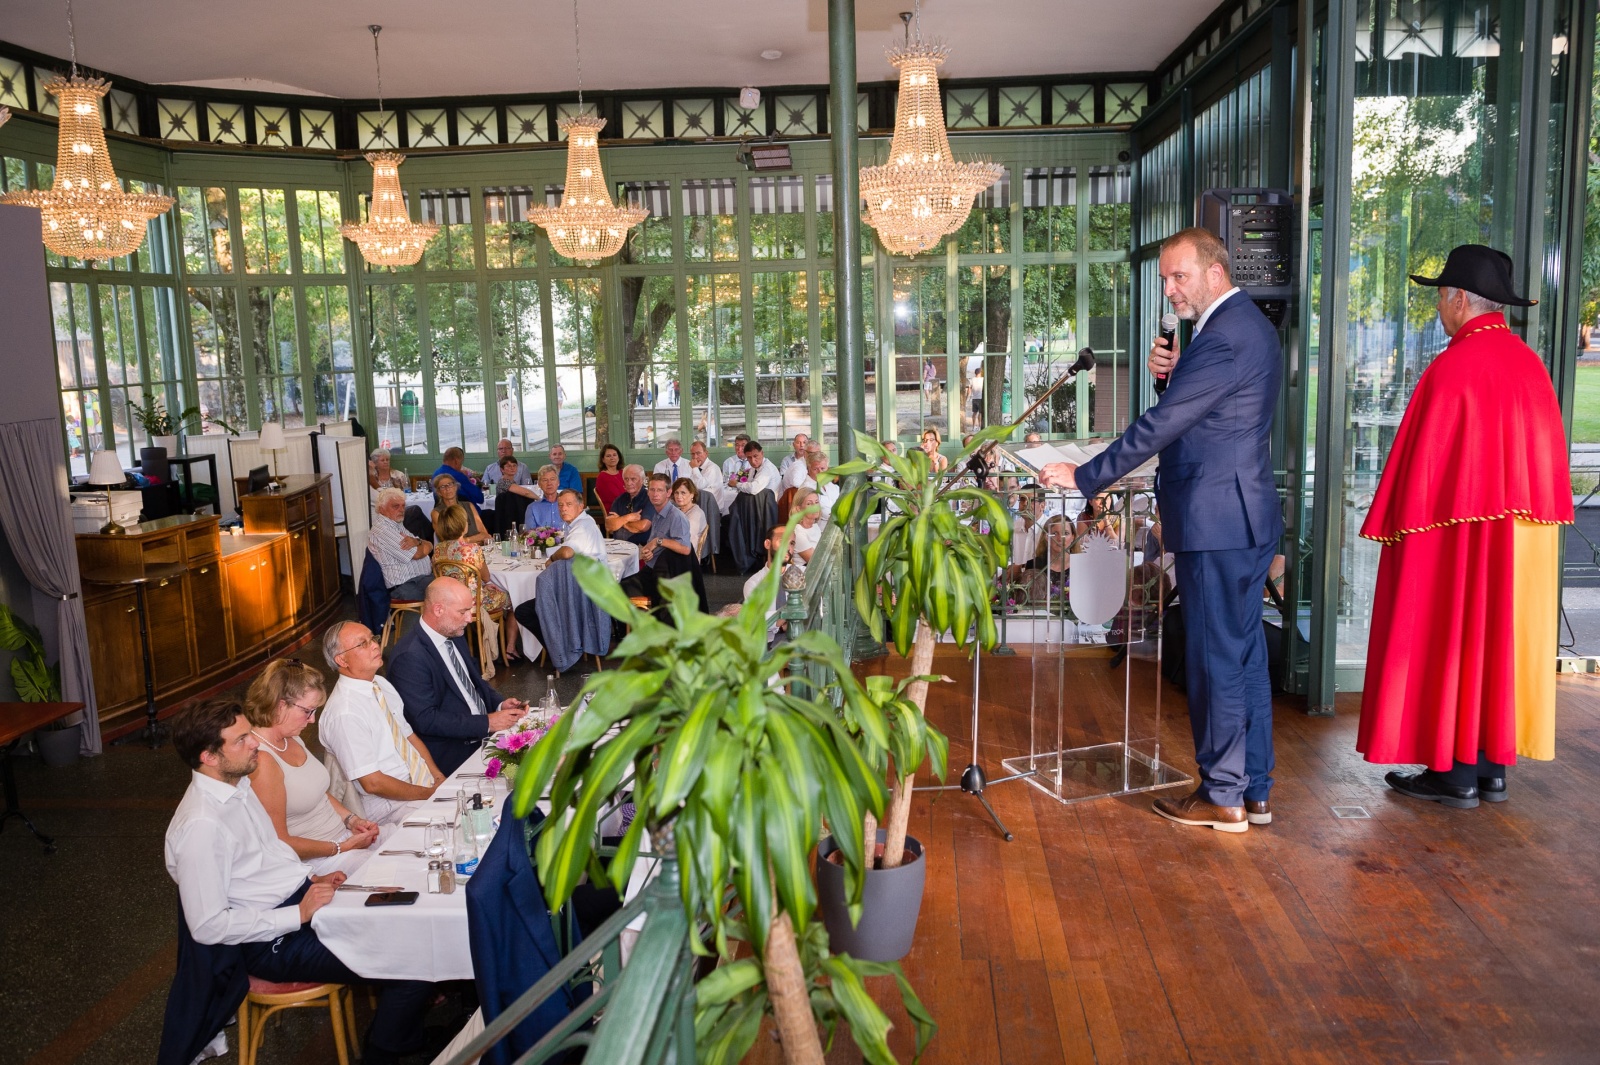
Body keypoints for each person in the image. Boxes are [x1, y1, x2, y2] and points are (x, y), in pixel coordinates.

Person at [1040, 226, 1282, 834]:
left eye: (1180, 276)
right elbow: (1204, 415)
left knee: (1215, 660)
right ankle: (1254, 789)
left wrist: (1086, 474)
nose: (1170, 290)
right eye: (1165, 279)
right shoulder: (1237, 328)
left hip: (1218, 520)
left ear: (1215, 273)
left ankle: (1224, 794)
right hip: (1240, 518)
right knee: (1244, 655)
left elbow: (1166, 425)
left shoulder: (1225, 337)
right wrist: (1169, 378)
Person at [1356, 245, 1573, 809]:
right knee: (1498, 635)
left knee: (1453, 632)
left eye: (1439, 298)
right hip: (1521, 542)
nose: (1438, 309)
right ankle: (1492, 767)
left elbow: (1421, 474)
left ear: (1456, 299)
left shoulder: (1453, 367)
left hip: (1456, 537)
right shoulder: (1528, 364)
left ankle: (1453, 773)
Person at [160, 699, 434, 1065]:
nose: (255, 742)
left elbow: (269, 854)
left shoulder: (236, 787)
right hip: (272, 939)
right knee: (412, 957)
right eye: (242, 740)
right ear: (209, 757)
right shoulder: (202, 827)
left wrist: (312, 879)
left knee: (414, 915)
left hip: (300, 898)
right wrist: (299, 914)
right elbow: (209, 926)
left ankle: (400, 1035)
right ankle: (383, 1052)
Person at [242, 659, 381, 875]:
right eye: (308, 711)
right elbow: (279, 842)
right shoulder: (261, 760)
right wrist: (342, 847)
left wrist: (351, 820)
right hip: (316, 861)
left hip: (341, 840)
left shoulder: (291, 738)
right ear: (281, 705)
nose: (312, 720)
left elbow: (317, 791)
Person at [388, 577, 524, 775]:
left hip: (480, 735)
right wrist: (487, 723)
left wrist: (499, 705)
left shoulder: (453, 634)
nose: (469, 618)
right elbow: (426, 720)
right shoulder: (410, 656)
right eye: (463, 612)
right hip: (453, 752)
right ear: (438, 610)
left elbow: (475, 683)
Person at [319, 621, 446, 825]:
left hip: (419, 783)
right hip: (387, 805)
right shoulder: (345, 712)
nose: (375, 645)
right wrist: (427, 793)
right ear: (342, 659)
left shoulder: (380, 684)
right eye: (362, 644)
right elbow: (373, 783)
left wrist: (437, 776)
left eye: (373, 639)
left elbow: (409, 736)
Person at [435, 504, 521, 661]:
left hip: (448, 601)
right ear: (463, 525)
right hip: (474, 602)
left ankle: (477, 640)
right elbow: (486, 577)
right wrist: (485, 584)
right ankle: (509, 648)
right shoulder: (472, 549)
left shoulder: (438, 549)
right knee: (514, 599)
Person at [369, 487, 435, 601]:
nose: (401, 510)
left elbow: (427, 544)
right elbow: (417, 554)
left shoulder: (397, 524)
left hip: (418, 580)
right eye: (395, 506)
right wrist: (424, 544)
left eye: (403, 506)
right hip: (405, 586)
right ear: (381, 509)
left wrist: (418, 542)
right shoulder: (383, 530)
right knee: (450, 590)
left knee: (453, 582)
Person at [727, 441, 781, 573]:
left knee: (736, 512)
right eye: (749, 458)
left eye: (756, 456)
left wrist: (737, 484)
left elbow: (753, 488)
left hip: (766, 510)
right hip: (756, 508)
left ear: (762, 453)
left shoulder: (767, 469)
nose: (753, 460)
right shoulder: (752, 469)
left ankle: (750, 554)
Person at [432, 472, 490, 545]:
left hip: (479, 549)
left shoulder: (469, 506)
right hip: (456, 553)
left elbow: (485, 534)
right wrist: (475, 540)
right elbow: (447, 543)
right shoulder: (437, 513)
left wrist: (465, 540)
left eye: (450, 484)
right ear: (439, 492)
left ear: (455, 487)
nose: (447, 489)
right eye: (443, 487)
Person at [550, 488, 605, 563]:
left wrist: (552, 559)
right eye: (560, 505)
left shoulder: (582, 525)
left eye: (569, 504)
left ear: (581, 507)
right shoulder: (573, 523)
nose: (563, 508)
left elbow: (566, 552)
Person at [605, 464, 652, 545]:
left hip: (642, 548)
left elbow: (643, 526)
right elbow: (608, 526)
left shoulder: (649, 498)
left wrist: (619, 521)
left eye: (633, 479)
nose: (629, 483)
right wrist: (628, 517)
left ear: (642, 480)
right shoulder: (620, 499)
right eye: (626, 479)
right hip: (619, 547)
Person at [686, 440, 735, 515]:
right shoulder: (693, 466)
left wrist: (695, 468)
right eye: (693, 454)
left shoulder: (712, 468)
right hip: (699, 507)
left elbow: (700, 486)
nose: (695, 457)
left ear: (706, 453)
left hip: (711, 510)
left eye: (698, 453)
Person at [672, 477, 708, 561]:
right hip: (674, 551)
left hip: (686, 558)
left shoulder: (696, 514)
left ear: (692, 494)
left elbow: (684, 540)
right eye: (676, 493)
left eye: (683, 493)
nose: (679, 496)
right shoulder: (678, 510)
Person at [791, 491, 824, 564]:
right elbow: (815, 562)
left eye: (816, 502)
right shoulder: (798, 533)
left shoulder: (815, 526)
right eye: (809, 503)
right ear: (799, 508)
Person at [595, 443, 627, 513]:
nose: (612, 458)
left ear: (619, 457)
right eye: (608, 456)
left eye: (614, 455)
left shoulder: (623, 472)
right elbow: (616, 497)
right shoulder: (602, 477)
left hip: (627, 505)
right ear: (603, 459)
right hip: (615, 511)